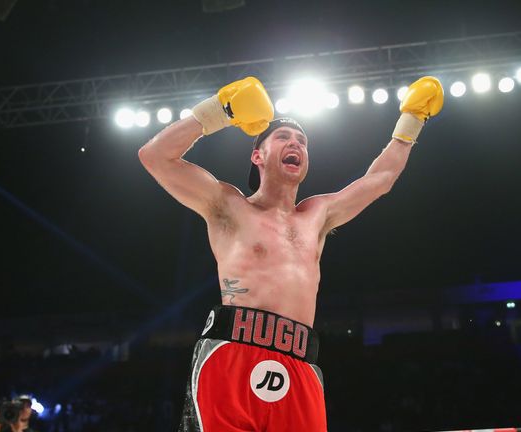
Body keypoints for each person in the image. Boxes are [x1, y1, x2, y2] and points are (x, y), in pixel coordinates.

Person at [138, 75, 444, 431]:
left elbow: (381, 178)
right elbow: (155, 156)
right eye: (283, 136)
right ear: (258, 155)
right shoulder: (228, 204)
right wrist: (221, 111)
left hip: (300, 361)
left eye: (302, 141)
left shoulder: (318, 214)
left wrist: (412, 119)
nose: (295, 142)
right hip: (232, 353)